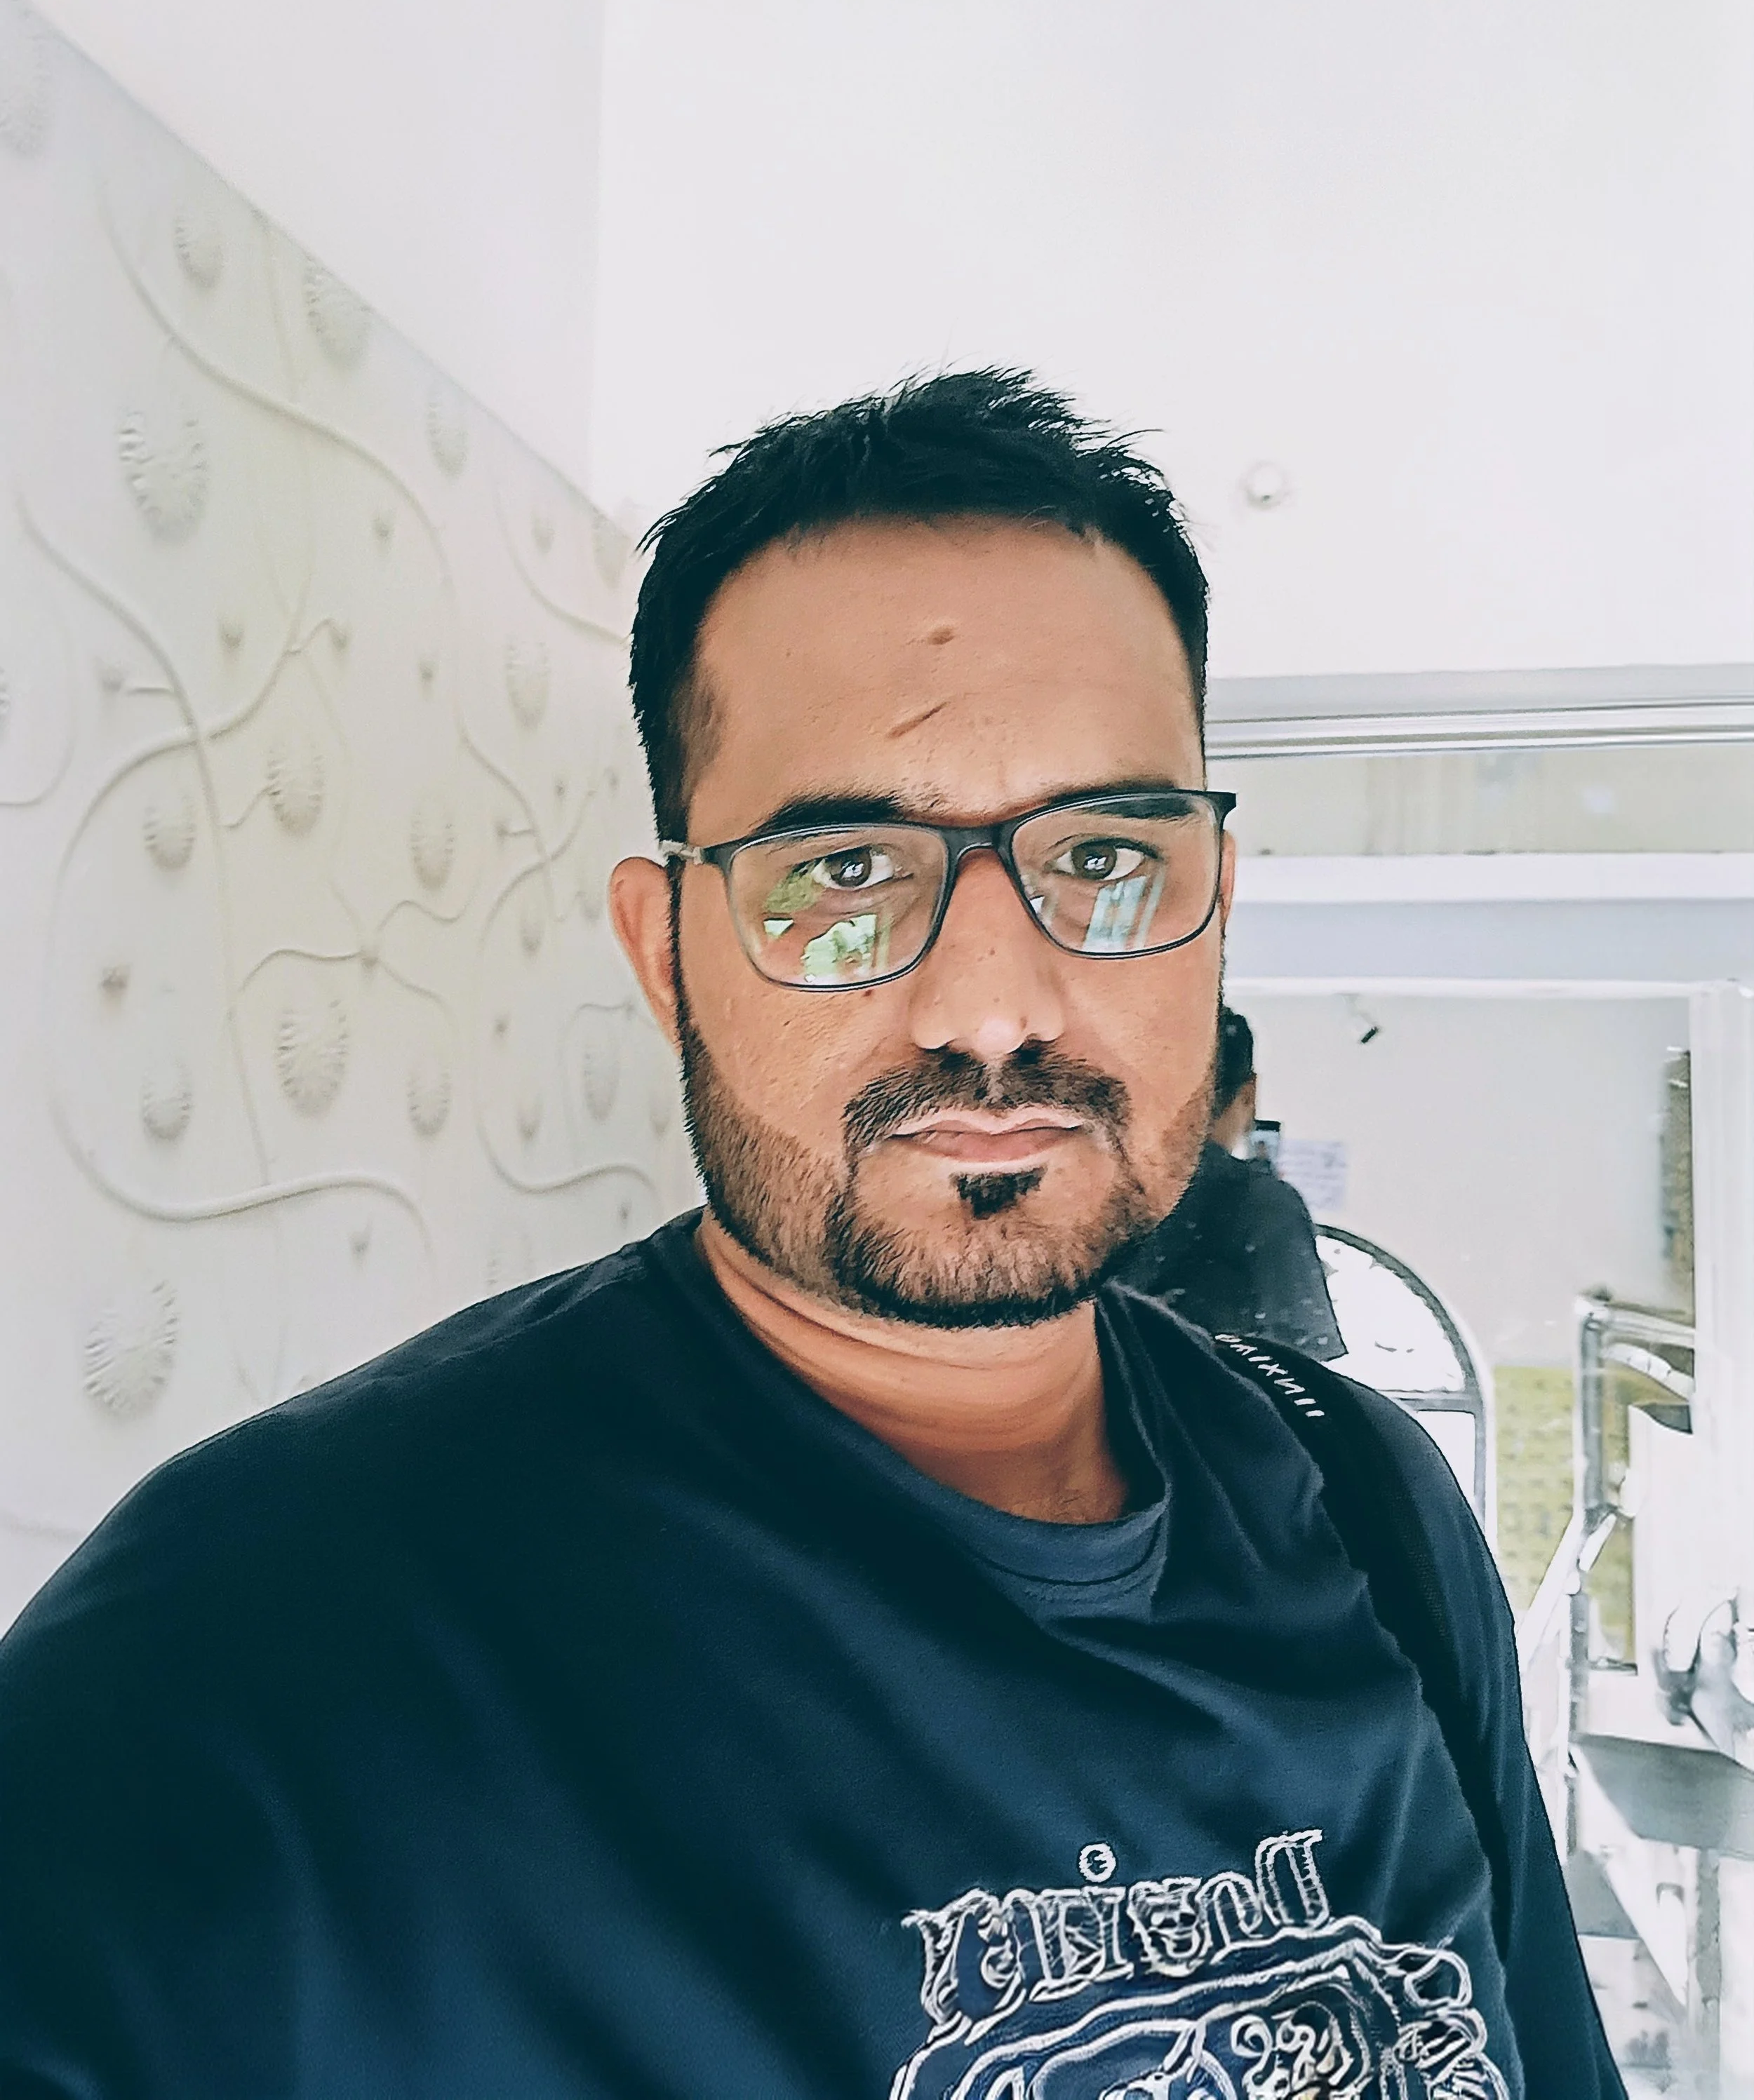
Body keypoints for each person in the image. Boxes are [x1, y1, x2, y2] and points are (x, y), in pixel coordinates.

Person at [0, 371, 1619, 2099]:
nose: (997, 1003)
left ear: (1213, 907)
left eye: (1104, 852)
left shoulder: (1368, 1499)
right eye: (842, 869)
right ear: (663, 948)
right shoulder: (280, 1631)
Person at [1119, 1005, 1345, 1359]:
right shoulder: (1262, 1203)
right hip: (1213, 1407)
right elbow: (1304, 1360)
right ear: (1248, 1094)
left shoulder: (1095, 1191)